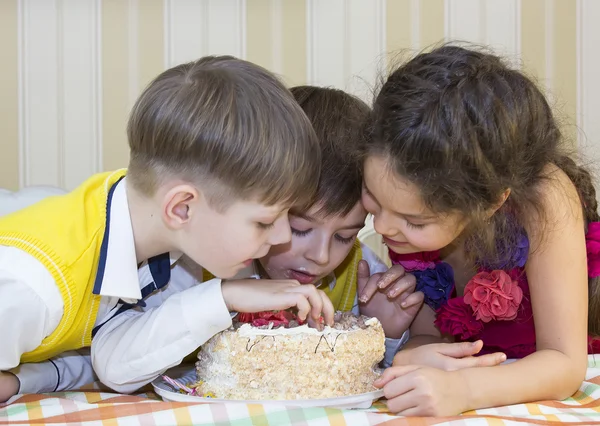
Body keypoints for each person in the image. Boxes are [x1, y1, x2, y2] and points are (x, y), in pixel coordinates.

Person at [0, 55, 334, 400]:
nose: (281, 237)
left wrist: (223, 295)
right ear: (181, 207)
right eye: (264, 222)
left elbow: (110, 361)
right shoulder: (32, 287)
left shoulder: (147, 227)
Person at [360, 44, 599, 416]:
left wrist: (464, 389)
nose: (383, 226)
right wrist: (414, 354)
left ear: (491, 202)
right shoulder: (406, 214)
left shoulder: (545, 200)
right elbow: (430, 335)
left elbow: (566, 364)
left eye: (415, 221)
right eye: (373, 200)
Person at [233, 86, 425, 365]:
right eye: (299, 228)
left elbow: (378, 373)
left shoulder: (364, 279)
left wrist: (384, 331)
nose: (321, 256)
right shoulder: (201, 267)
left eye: (345, 236)